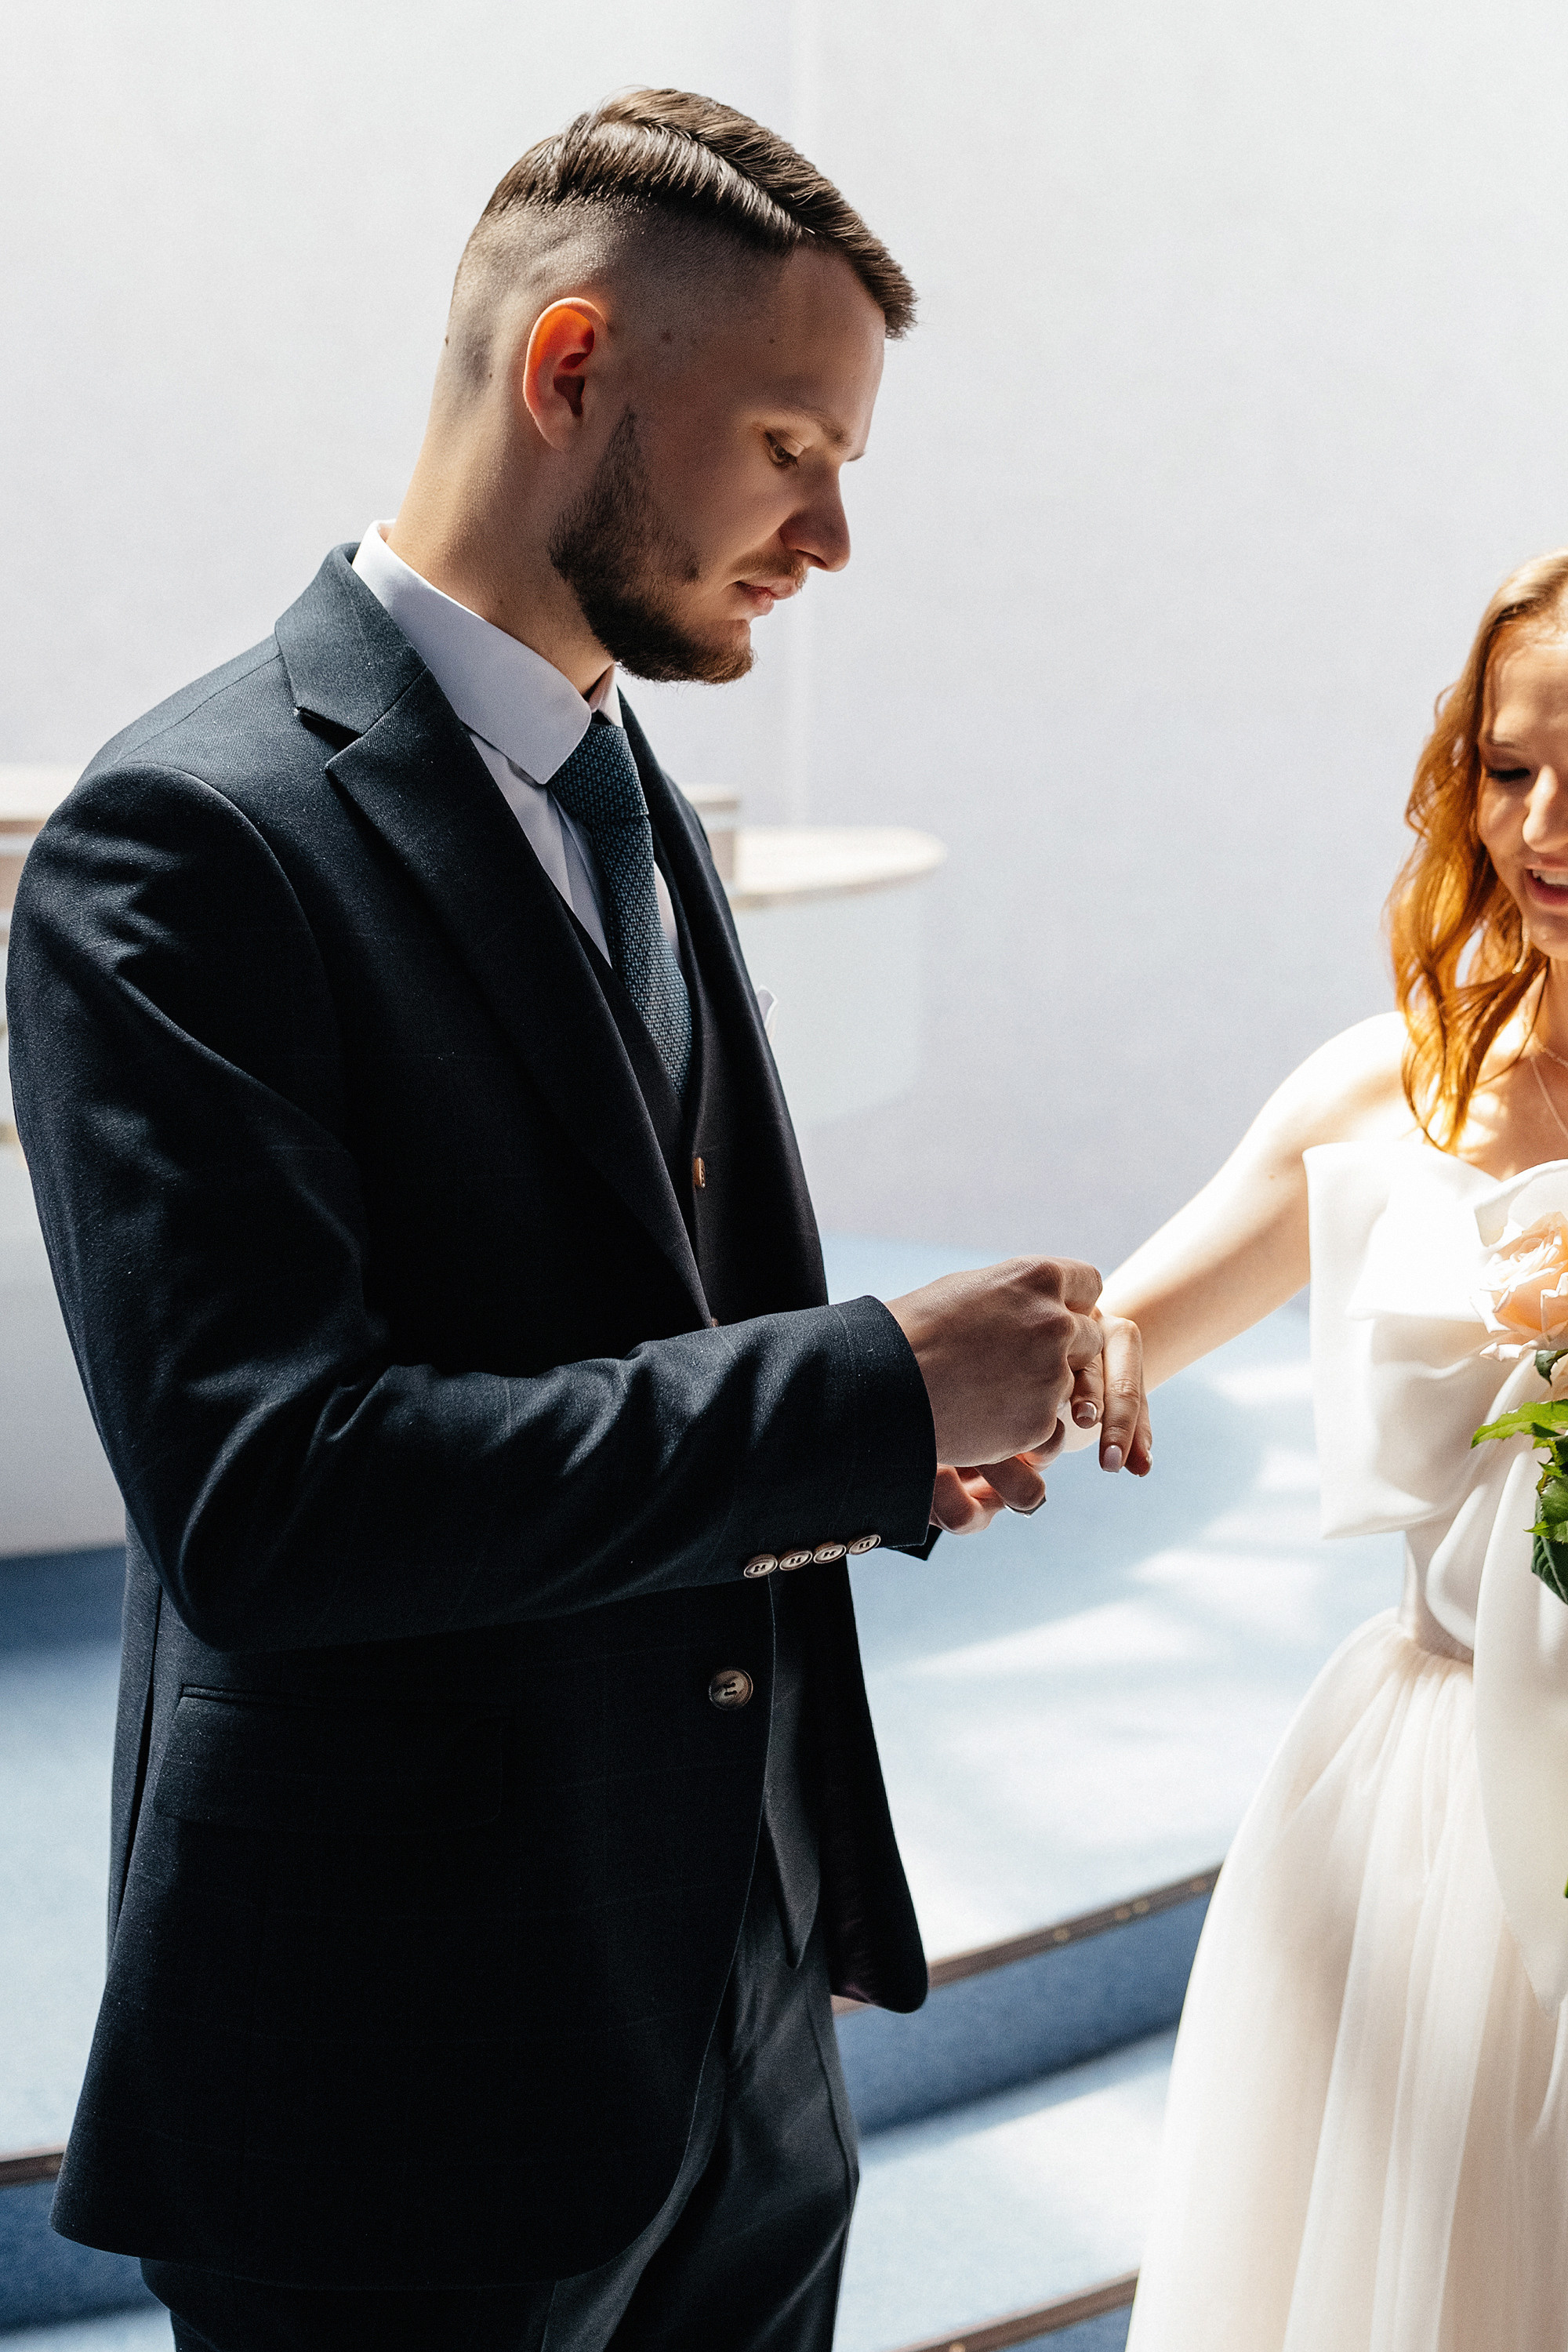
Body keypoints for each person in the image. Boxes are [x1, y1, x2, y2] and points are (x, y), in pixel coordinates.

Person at [6, 90, 1148, 2352]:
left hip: (740, 2025)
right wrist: (861, 1388)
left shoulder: (643, 794)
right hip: (400, 2085)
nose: (831, 535)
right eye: (793, 447)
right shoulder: (183, 842)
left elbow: (624, 1325)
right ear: (571, 371)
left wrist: (880, 1453)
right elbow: (274, 1501)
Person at [1105, 549, 1568, 2350]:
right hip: (1434, 1805)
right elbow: (1108, 1340)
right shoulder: (1387, 1085)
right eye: (1509, 768)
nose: (1542, 827)